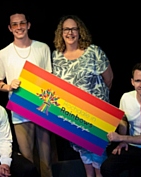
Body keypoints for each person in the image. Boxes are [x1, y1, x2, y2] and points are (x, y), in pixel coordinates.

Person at [52, 15, 114, 177]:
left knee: (99, 156)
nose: (70, 32)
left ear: (80, 31)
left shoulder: (94, 52)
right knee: (85, 156)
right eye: (66, 29)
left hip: (96, 115)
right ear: (61, 32)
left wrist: (96, 103)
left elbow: (109, 79)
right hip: (73, 116)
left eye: (74, 29)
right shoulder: (56, 56)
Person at [0, 9, 52, 177]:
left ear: (28, 25)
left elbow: (50, 78)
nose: (19, 27)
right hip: (20, 111)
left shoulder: (42, 48)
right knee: (27, 161)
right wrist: (8, 86)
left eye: (22, 23)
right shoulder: (3, 54)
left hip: (43, 109)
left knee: (46, 160)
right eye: (15, 24)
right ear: (10, 28)